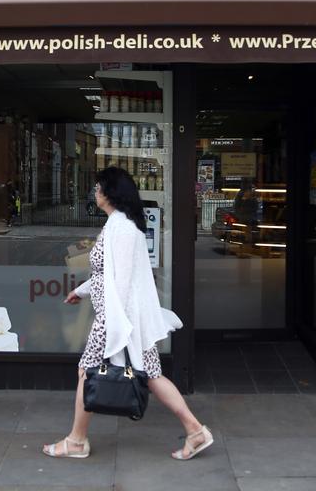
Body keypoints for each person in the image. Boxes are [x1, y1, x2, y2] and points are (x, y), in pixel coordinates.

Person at [43, 167, 214, 461]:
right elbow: (106, 274)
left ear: (111, 192)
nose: (94, 192)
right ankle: (195, 431)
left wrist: (112, 325)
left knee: (87, 369)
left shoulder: (121, 227)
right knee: (151, 375)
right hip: (125, 316)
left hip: (118, 318)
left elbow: (120, 280)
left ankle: (76, 441)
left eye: (98, 187)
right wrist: (81, 291)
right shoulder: (118, 224)